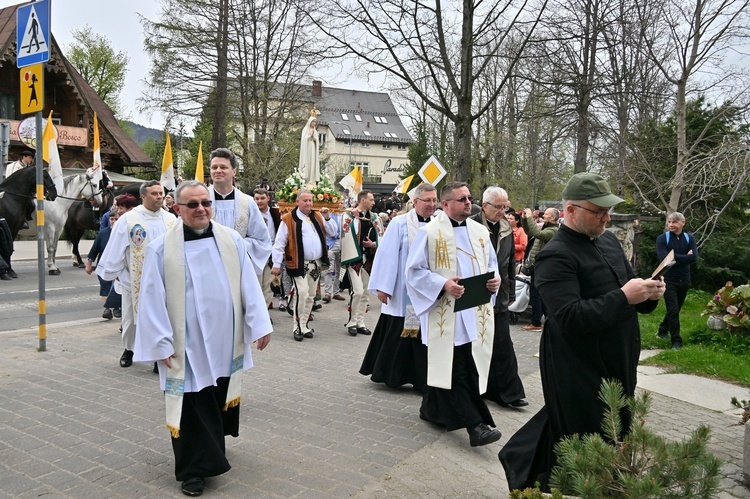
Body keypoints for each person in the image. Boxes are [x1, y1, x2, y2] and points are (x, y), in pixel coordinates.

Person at [499, 172, 665, 491]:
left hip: (617, 360)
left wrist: (648, 294)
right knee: (585, 433)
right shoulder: (555, 255)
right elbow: (568, 317)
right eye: (599, 211)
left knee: (611, 427)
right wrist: (625, 296)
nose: (607, 217)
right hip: (577, 365)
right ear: (571, 211)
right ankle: (578, 486)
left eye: (609, 210)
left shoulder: (608, 240)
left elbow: (627, 289)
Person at [133, 181, 272, 497]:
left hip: (225, 338)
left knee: (217, 393)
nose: (200, 209)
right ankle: (194, 471)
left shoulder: (231, 239)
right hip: (187, 344)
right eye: (192, 205)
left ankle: (214, 447)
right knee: (191, 401)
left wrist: (259, 324)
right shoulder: (161, 248)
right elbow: (152, 298)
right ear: (178, 209)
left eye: (205, 203)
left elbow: (247, 283)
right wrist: (160, 342)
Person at [405, 181, 502, 447]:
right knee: (458, 369)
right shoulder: (430, 232)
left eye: (469, 198)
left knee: (459, 365)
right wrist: (443, 284)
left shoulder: (481, 232)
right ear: (445, 204)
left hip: (475, 311)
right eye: (462, 199)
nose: (469, 202)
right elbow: (413, 272)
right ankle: (476, 425)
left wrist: (495, 282)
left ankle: (431, 409)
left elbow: (492, 266)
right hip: (446, 313)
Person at [360, 183, 437, 393]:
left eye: (434, 200)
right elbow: (387, 255)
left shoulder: (439, 224)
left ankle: (422, 376)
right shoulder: (401, 223)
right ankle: (394, 374)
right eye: (427, 201)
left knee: (422, 332)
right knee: (405, 329)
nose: (432, 205)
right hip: (404, 290)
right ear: (416, 202)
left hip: (429, 289)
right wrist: (384, 287)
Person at [97, 181, 177, 368]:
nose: (159, 196)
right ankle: (129, 349)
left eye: (161, 193)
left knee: (162, 317)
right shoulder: (129, 219)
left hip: (164, 278)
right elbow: (116, 247)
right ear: (143, 196)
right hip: (134, 278)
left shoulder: (171, 219)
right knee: (132, 319)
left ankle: (160, 355)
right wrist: (114, 272)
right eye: (155, 193)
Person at [472, 187, 527, 408]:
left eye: (505, 207)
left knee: (503, 343)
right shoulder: (472, 225)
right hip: (476, 293)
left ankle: (509, 393)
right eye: (498, 207)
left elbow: (510, 264)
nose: (503, 211)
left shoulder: (506, 227)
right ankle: (477, 388)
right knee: (477, 345)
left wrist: (511, 292)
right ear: (485, 206)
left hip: (500, 295)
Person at [271, 189, 337, 341]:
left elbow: (333, 232)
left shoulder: (318, 216)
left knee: (311, 296)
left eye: (310, 201)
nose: (308, 203)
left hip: (316, 265)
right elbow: (279, 243)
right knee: (302, 293)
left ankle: (305, 325)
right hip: (298, 264)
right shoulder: (288, 219)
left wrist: (327, 218)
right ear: (297, 202)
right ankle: (297, 326)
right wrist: (276, 264)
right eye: (305, 200)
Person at [207, 148, 272, 275]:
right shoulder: (199, 201)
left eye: (223, 167)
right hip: (208, 267)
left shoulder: (247, 203)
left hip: (238, 268)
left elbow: (262, 240)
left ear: (234, 171)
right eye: (214, 167)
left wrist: (236, 245)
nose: (218, 171)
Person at [340, 190, 384, 337]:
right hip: (355, 259)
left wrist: (373, 244)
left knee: (365, 293)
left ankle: (360, 322)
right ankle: (352, 322)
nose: (373, 203)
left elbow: (381, 235)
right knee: (357, 291)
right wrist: (357, 220)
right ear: (362, 200)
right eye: (371, 200)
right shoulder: (349, 215)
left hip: (369, 260)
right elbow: (347, 234)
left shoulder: (374, 217)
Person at [656, 212, 698, 350]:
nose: (671, 225)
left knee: (676, 309)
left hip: (684, 279)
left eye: (674, 222)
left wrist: (674, 257)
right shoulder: (663, 239)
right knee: (673, 310)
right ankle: (676, 341)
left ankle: (663, 329)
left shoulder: (689, 238)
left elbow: (693, 258)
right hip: (669, 280)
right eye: (669, 222)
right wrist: (684, 257)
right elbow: (665, 259)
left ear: (682, 223)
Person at [520, 207, 559, 332]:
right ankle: (546, 319)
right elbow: (530, 231)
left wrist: (531, 217)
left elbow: (538, 234)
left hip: (542, 266)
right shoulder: (546, 227)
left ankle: (536, 322)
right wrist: (525, 219)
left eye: (546, 213)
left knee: (536, 294)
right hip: (537, 265)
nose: (543, 214)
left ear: (553, 218)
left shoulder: (553, 230)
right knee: (539, 294)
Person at [85, 212, 120, 319]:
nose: (113, 221)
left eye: (116, 219)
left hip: (118, 266)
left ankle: (117, 307)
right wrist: (89, 264)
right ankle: (107, 308)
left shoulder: (122, 233)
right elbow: (94, 249)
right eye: (111, 219)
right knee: (105, 286)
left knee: (116, 287)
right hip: (104, 265)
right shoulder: (103, 233)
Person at [253, 188, 281, 309]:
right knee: (255, 287)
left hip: (271, 255)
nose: (260, 201)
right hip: (256, 255)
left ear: (268, 198)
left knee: (268, 287)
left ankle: (264, 314)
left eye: (262, 198)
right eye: (257, 199)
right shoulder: (251, 214)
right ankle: (257, 315)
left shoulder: (275, 213)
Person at [322, 201, 344, 303]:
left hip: (343, 243)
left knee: (340, 268)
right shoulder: (330, 215)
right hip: (331, 243)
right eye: (339, 203)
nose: (340, 205)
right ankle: (327, 293)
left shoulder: (346, 215)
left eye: (342, 203)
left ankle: (336, 292)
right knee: (329, 268)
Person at [299, 111, 320, 185]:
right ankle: (306, 179)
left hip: (313, 148)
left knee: (312, 163)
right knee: (307, 162)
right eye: (313, 121)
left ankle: (312, 180)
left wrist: (314, 138)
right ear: (310, 122)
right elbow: (303, 140)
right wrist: (309, 136)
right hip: (307, 149)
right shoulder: (305, 129)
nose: (314, 123)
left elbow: (317, 140)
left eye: (315, 121)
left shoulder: (315, 131)